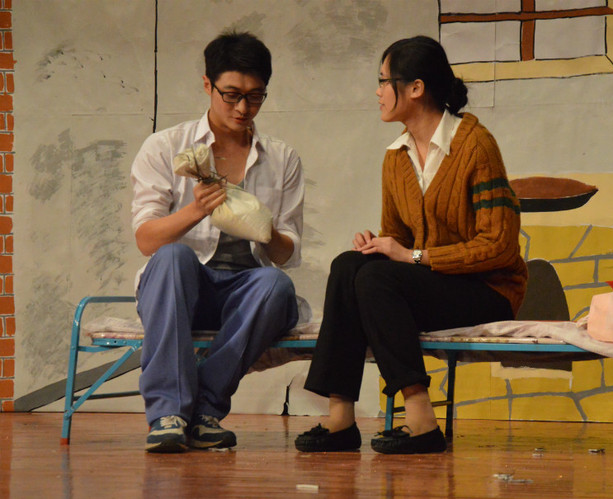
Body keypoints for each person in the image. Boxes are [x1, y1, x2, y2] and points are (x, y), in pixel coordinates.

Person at [295, 36, 527, 455]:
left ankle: (421, 419)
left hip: (487, 290)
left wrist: (412, 256)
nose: (378, 92)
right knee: (350, 265)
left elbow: (499, 246)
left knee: (376, 280)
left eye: (384, 81)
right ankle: (340, 416)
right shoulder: (396, 156)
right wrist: (380, 246)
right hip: (434, 284)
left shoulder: (475, 145)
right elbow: (399, 240)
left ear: (416, 88)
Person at [130, 31, 304, 453]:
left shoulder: (281, 158)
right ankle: (168, 415)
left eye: (255, 97)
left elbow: (287, 253)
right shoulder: (166, 146)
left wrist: (264, 230)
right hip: (180, 289)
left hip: (243, 295)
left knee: (276, 285)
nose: (243, 108)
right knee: (173, 257)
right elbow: (146, 239)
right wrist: (195, 210)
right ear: (208, 85)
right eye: (231, 95)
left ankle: (205, 411)